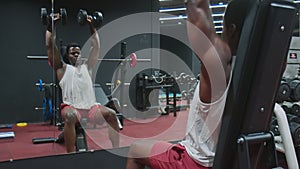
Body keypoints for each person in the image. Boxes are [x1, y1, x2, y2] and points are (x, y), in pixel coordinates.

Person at [125, 0, 250, 168]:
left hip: (196, 163)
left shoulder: (220, 68)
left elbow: (197, 6)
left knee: (135, 150)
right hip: (235, 159)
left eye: (224, 25)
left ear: (232, 29)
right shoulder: (264, 66)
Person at [45, 13, 120, 153]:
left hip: (91, 108)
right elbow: (50, 45)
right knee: (71, 116)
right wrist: (51, 25)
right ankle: (71, 155)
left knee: (111, 114)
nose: (77, 55)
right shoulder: (62, 69)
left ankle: (116, 150)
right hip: (71, 108)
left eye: (78, 52)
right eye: (73, 53)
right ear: (67, 55)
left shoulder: (88, 67)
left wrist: (91, 26)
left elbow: (96, 45)